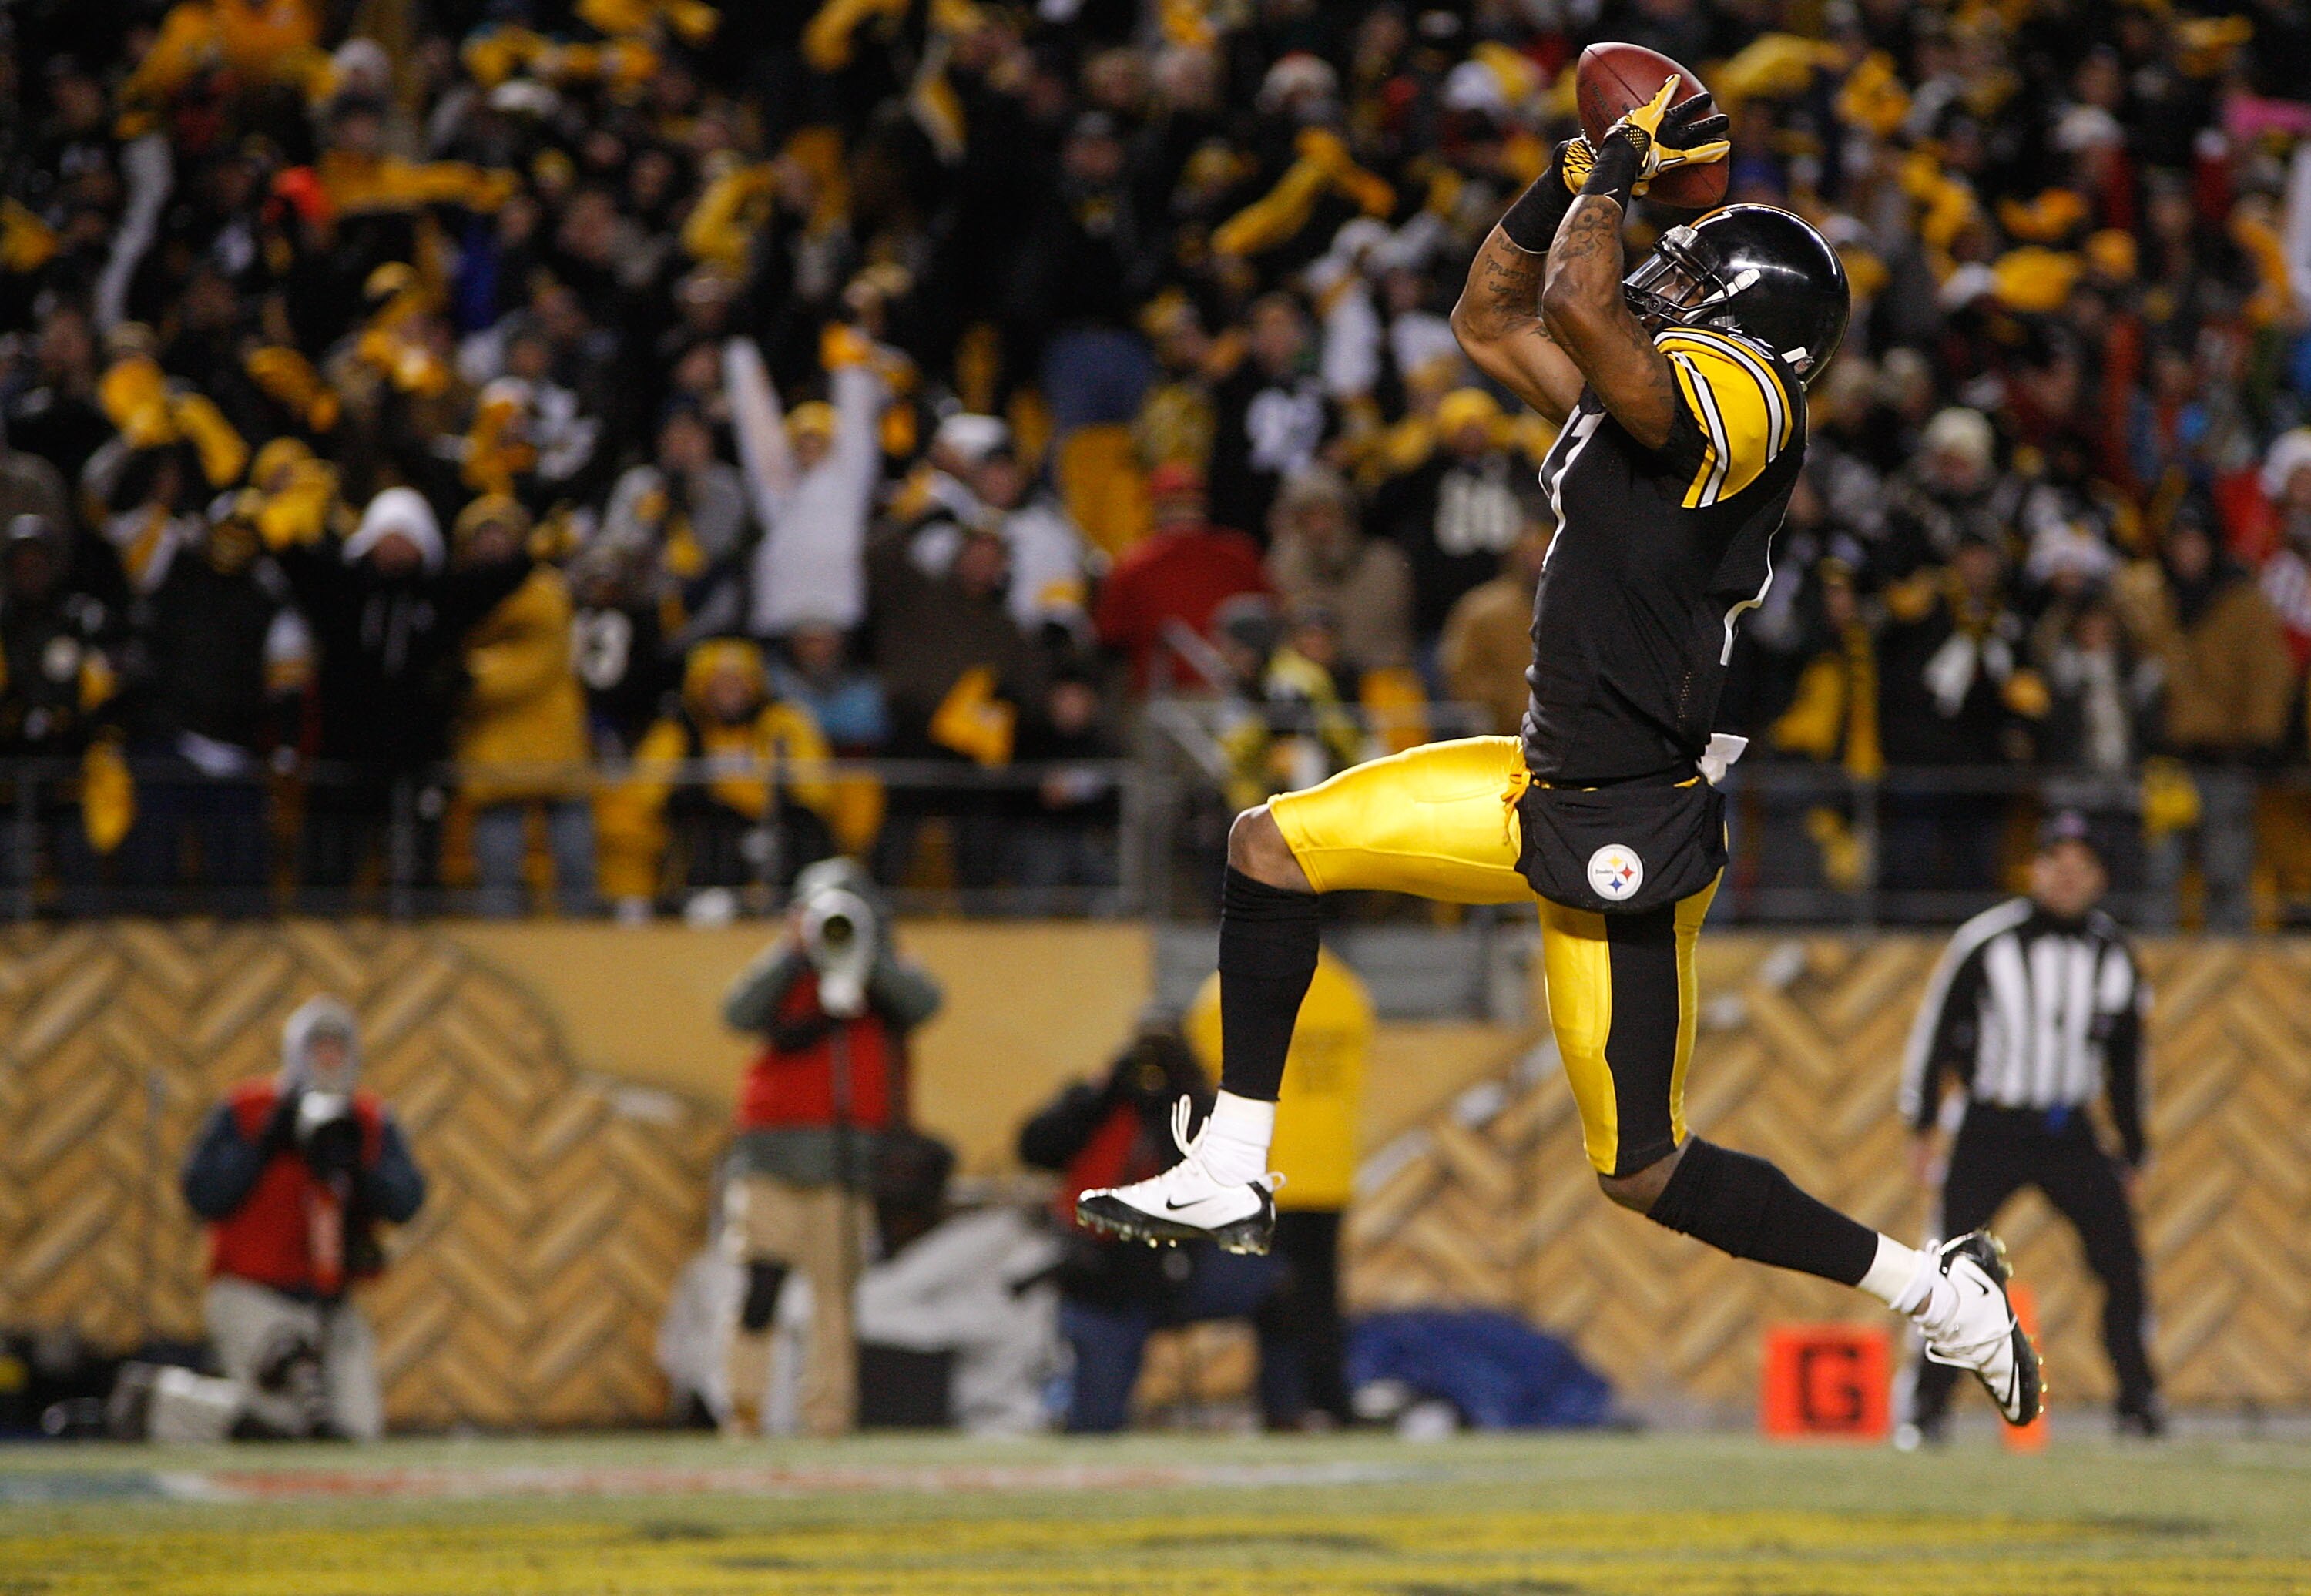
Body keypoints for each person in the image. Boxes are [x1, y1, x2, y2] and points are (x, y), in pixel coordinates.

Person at [1076, 94, 2041, 1431]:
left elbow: (1587, 308)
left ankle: (1941, 1298)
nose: (1667, 279)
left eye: (1699, 276)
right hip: (1538, 780)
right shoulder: (1644, 390)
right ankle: (1235, 1159)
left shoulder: (1752, 404)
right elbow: (1492, 316)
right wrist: (1561, 182)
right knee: (1269, 842)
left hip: (1633, 825)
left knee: (1642, 1167)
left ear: (1751, 318)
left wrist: (1625, 174)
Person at [1897, 813, 2160, 1442]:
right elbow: (1934, 1032)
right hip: (1992, 1127)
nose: (2068, 877)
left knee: (2122, 1268)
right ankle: (1924, 1410)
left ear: (2100, 878)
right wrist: (1922, 1123)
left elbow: (2126, 1061)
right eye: (2056, 862)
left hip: (2072, 1132)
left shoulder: (2115, 954)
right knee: (1953, 1269)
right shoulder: (1987, 941)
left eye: (2083, 866)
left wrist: (2134, 1148)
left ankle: (2140, 1405)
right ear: (2034, 868)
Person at [718, 860, 944, 1438]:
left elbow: (925, 1004)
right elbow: (737, 1013)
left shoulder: (878, 966)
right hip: (771, 1154)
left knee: (835, 1301)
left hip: (845, 1162)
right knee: (760, 1285)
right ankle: (743, 1410)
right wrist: (793, 952)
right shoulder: (789, 967)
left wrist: (869, 956)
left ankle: (828, 1417)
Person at [1018, 1018, 1280, 1434]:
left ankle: (1288, 1414)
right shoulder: (1102, 1106)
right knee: (1098, 1409)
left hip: (1178, 1264)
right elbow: (1036, 1147)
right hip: (1101, 1270)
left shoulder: (1196, 1110)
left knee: (1282, 1289)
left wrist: (1182, 1090)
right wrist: (1101, 1093)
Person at [179, 997, 424, 1440]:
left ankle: (177, 1408)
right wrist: (265, 1145)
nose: (328, 1059)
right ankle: (171, 1408)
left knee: (353, 1432)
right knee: (292, 1418)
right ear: (296, 1053)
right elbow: (203, 1197)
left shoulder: (367, 1120)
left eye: (338, 1048)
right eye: (318, 1048)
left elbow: (406, 1205)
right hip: (252, 1294)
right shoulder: (248, 1109)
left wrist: (357, 1168)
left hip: (329, 1305)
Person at [449, 495, 595, 917]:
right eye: (483, 535)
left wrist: (471, 680)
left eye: (501, 534)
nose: (493, 544)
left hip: (553, 743)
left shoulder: (546, 591)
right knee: (496, 872)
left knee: (574, 868)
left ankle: (585, 954)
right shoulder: (459, 592)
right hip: (496, 752)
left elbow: (540, 661)